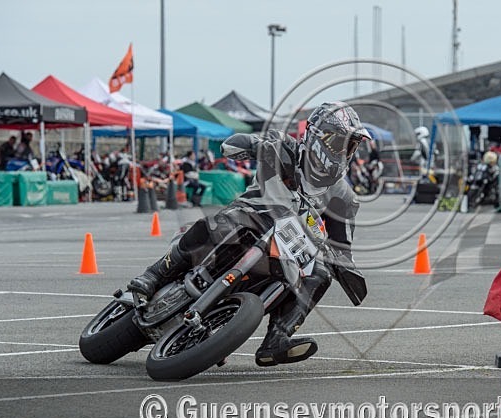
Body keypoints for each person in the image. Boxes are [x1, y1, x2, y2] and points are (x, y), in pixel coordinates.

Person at [128, 101, 370, 367]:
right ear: (319, 136)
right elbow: (242, 144)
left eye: (351, 145)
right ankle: (154, 274)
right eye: (341, 142)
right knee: (217, 224)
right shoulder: (283, 147)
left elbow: (342, 246)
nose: (345, 151)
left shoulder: (344, 197)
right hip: (249, 219)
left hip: (287, 250)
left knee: (321, 273)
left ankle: (277, 339)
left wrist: (343, 266)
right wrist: (250, 146)